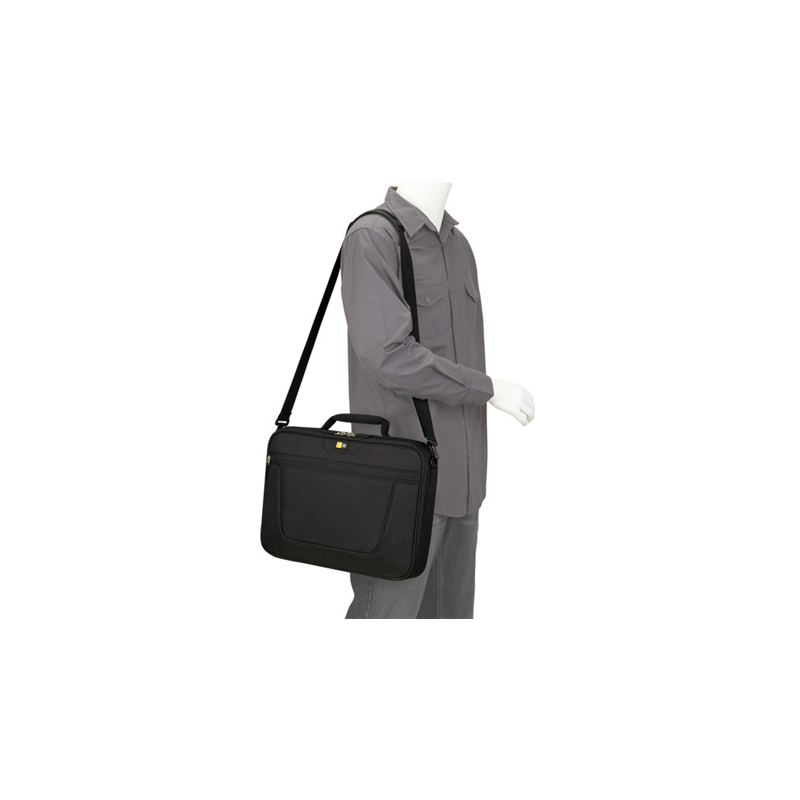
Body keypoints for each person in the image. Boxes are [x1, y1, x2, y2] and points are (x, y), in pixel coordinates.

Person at [339, 182, 534, 618]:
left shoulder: (459, 246)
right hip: (401, 488)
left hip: (463, 484)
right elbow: (389, 356)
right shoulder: (372, 238)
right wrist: (488, 388)